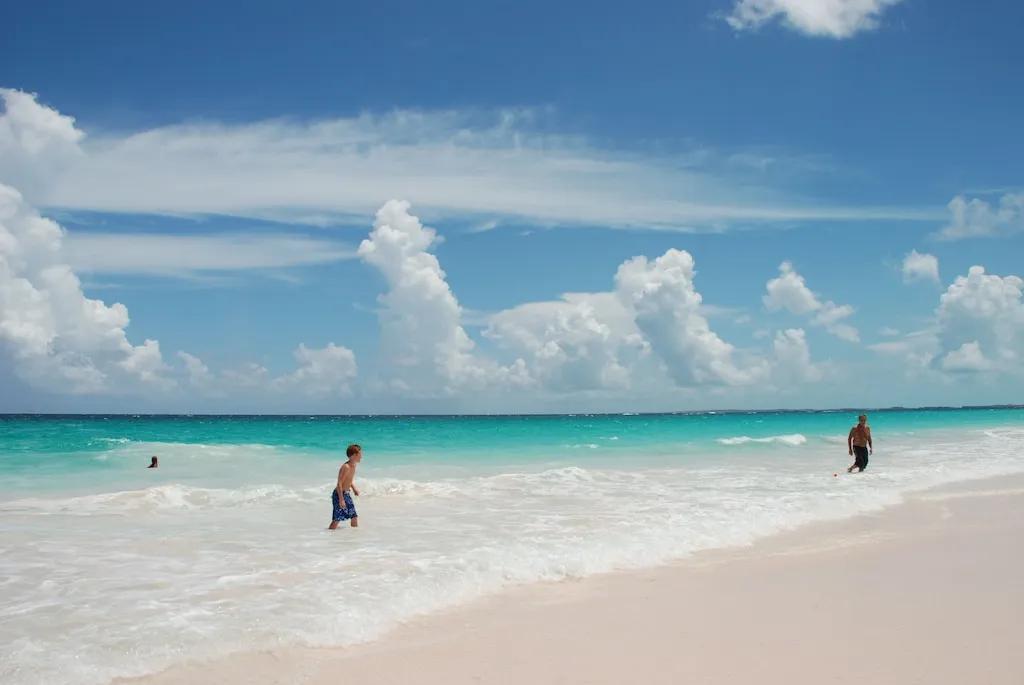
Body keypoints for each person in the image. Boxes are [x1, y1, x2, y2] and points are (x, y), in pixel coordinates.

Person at [329, 444, 361, 529]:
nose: (361, 457)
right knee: (337, 518)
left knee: (354, 516)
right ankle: (329, 533)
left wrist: (354, 489)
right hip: (339, 494)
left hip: (346, 494)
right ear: (353, 455)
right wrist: (341, 499)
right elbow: (339, 483)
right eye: (359, 454)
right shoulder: (346, 467)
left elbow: (349, 479)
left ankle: (355, 534)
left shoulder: (354, 465)